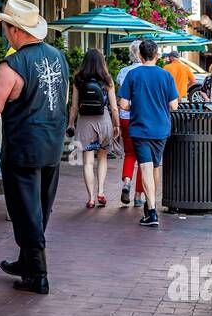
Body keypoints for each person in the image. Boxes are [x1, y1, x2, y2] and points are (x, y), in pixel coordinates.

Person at [0, 0, 69, 295]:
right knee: (41, 208)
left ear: (15, 29)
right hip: (52, 144)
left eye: (6, 27)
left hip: (22, 147)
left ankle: (38, 274)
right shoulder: (58, 57)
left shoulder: (12, 64)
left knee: (24, 210)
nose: (6, 33)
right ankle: (25, 261)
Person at [117, 38, 179, 226]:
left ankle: (151, 211)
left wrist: (137, 105)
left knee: (145, 167)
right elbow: (174, 106)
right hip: (161, 128)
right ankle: (149, 204)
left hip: (140, 127)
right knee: (155, 167)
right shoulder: (166, 75)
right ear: (157, 55)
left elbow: (123, 104)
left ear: (140, 55)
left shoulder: (133, 75)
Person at [68, 48, 120, 208]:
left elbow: (74, 107)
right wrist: (117, 125)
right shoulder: (107, 80)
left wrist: (71, 123)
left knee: (88, 162)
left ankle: (90, 197)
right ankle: (101, 192)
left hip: (85, 123)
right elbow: (114, 107)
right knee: (102, 158)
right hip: (103, 121)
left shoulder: (78, 79)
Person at [115, 39, 144, 204]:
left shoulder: (123, 71)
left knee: (129, 153)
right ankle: (138, 196)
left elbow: (121, 96)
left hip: (125, 117)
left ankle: (127, 182)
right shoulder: (148, 70)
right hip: (142, 117)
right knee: (144, 158)